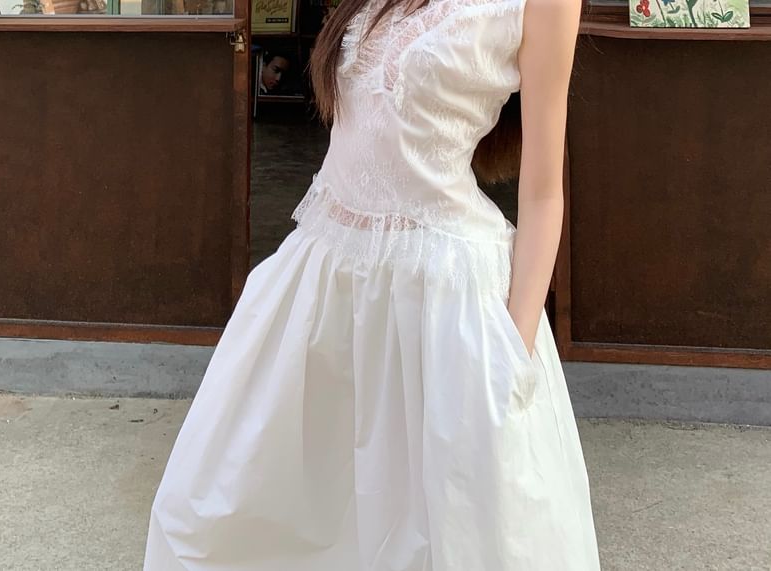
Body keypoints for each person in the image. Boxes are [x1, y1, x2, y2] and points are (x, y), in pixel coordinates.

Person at [144, 0, 602, 567]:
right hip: (324, 275)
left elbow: (543, 193)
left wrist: (516, 345)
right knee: (223, 502)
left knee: (438, 521)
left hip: (440, 300)